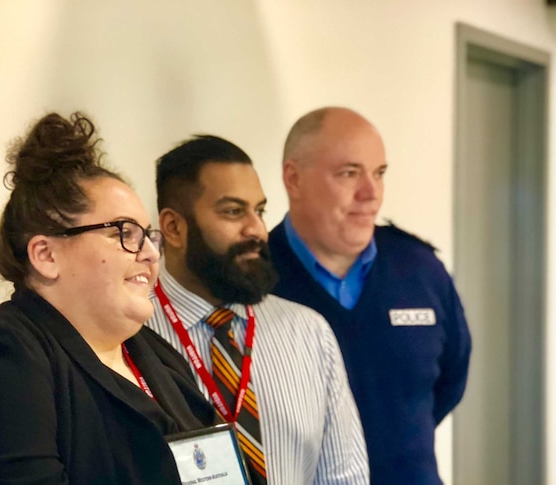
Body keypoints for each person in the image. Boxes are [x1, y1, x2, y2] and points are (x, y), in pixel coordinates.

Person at [0, 112, 216, 485]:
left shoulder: (160, 357)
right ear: (46, 256)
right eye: (124, 233)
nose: (149, 253)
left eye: (148, 235)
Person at [145, 135, 370, 485]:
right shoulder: (129, 332)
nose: (257, 230)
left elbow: (345, 477)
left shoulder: (308, 333)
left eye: (259, 210)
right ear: (173, 227)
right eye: (233, 211)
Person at [268, 106, 472, 485]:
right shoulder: (254, 279)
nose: (371, 193)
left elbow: (451, 378)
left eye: (379, 174)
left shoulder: (420, 269)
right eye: (349, 174)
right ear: (293, 179)